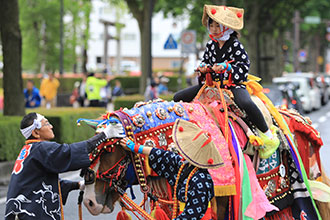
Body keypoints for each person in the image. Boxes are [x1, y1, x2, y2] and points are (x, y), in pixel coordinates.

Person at [173, 5, 279, 158]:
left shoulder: (235, 45)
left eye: (218, 25)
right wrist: (203, 68)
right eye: (212, 25)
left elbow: (244, 66)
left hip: (232, 85)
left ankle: (267, 134)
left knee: (247, 103)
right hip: (211, 85)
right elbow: (206, 62)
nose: (214, 29)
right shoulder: (211, 44)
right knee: (178, 97)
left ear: (226, 27)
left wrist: (227, 67)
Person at [5, 112, 125, 220]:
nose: (51, 126)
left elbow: (43, 185)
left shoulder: (29, 150)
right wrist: (104, 135)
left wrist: (78, 185)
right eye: (46, 124)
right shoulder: (41, 148)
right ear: (36, 133)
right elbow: (69, 152)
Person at [120, 119, 223, 220]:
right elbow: (162, 155)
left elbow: (193, 214)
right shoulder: (184, 164)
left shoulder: (202, 180)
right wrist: (135, 147)